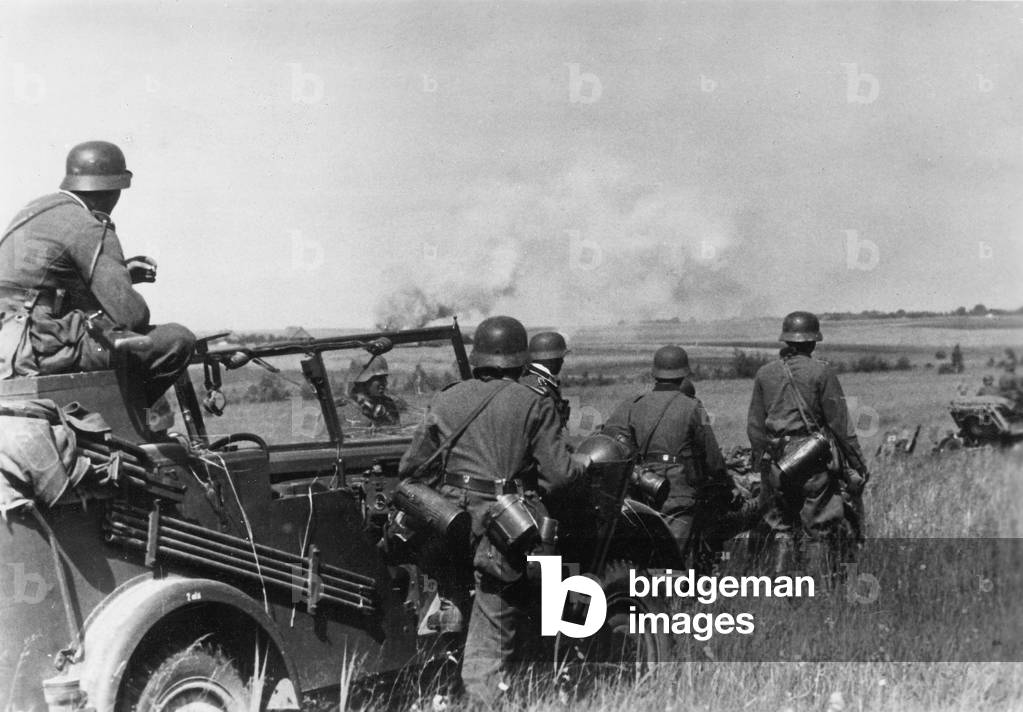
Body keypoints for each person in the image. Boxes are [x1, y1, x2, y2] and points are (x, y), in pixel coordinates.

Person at [398, 315, 589, 704]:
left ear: (477, 357)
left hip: (448, 526)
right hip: (503, 532)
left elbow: (411, 470)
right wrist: (583, 465)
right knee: (492, 630)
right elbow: (559, 478)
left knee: (464, 611)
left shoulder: (446, 398)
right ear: (522, 359)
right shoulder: (533, 403)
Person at [0, 141, 194, 405]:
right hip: (40, 350)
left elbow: (39, 284)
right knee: (176, 339)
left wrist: (119, 271)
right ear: (114, 189)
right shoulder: (90, 227)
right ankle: (130, 428)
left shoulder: (36, 211)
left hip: (10, 346)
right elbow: (130, 316)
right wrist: (120, 283)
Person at [746, 311, 870, 573]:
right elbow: (839, 424)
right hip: (813, 461)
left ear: (785, 339)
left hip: (778, 461)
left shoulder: (765, 374)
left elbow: (755, 427)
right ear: (813, 341)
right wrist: (857, 463)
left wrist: (764, 464)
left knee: (781, 527)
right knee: (818, 527)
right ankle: (816, 592)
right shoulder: (822, 372)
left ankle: (781, 592)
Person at [602, 344, 736, 574]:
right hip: (678, 490)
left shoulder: (634, 404)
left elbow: (610, 439)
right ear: (684, 373)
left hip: (641, 487)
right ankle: (672, 606)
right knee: (673, 559)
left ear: (655, 374)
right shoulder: (694, 407)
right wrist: (723, 483)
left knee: (647, 554)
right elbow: (712, 458)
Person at [520, 330, 571, 428]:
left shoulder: (532, 380)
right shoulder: (541, 388)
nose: (562, 362)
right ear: (553, 359)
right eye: (560, 358)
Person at [339, 355, 401, 427]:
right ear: (361, 382)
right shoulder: (343, 410)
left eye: (384, 378)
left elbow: (397, 431)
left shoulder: (388, 404)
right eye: (379, 378)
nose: (385, 383)